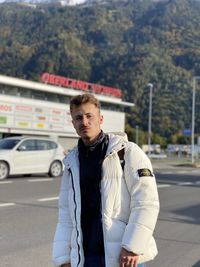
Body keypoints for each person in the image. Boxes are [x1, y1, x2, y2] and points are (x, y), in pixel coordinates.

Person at [52, 93, 160, 267]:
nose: (84, 122)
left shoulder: (127, 152)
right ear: (73, 123)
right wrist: (63, 258)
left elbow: (146, 202)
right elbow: (66, 216)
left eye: (89, 116)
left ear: (100, 119)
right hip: (85, 257)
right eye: (78, 118)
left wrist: (132, 246)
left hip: (122, 256)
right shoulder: (71, 163)